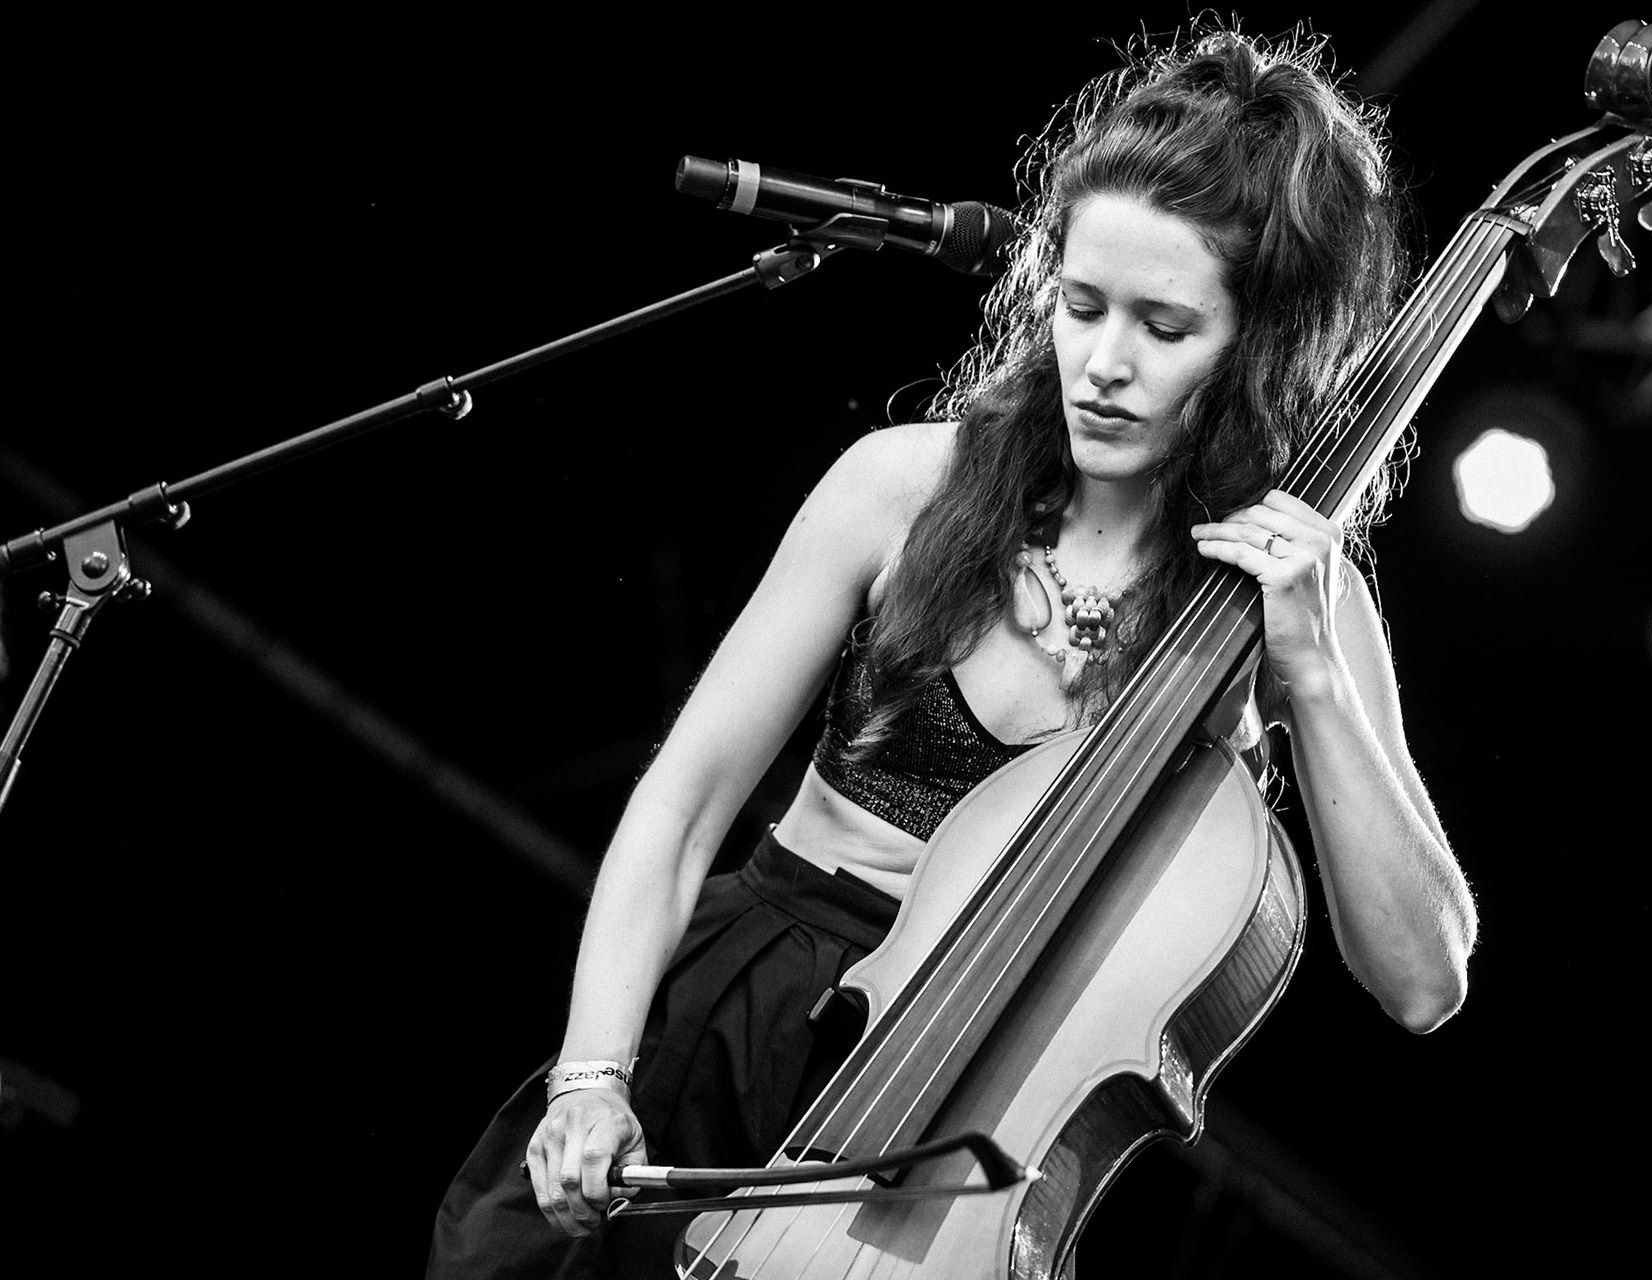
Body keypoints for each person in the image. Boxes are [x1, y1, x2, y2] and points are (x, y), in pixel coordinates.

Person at [428, 23, 1477, 1278]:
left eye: (1164, 326)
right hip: (724, 1036)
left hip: (962, 1131)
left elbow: (1423, 979)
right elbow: (683, 802)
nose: (1103, 363)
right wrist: (592, 1076)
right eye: (1080, 306)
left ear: (1260, 344)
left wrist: (1313, 677)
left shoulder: (1299, 599)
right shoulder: (905, 486)